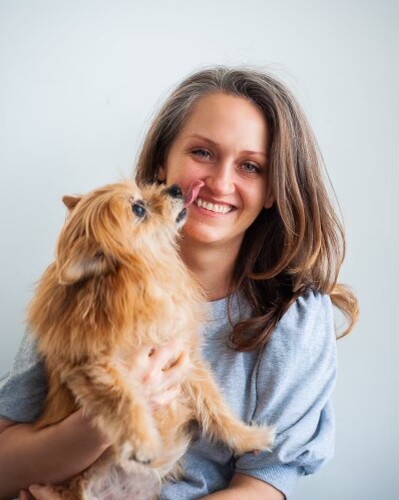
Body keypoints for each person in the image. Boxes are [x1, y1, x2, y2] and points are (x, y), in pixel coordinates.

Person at [0, 66, 359, 500]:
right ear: (160, 163)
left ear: (273, 190)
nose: (221, 182)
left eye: (250, 166)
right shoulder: (76, 292)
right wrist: (103, 422)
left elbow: (264, 486)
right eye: (203, 153)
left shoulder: (295, 319)